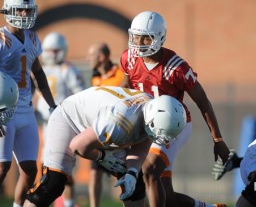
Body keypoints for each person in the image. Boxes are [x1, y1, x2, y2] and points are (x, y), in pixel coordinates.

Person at [120, 11, 230, 207]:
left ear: (159, 37)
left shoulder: (176, 68)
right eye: (136, 36)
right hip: (146, 123)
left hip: (173, 125)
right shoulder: (129, 58)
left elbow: (202, 101)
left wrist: (218, 139)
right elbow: (125, 88)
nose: (139, 42)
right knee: (166, 196)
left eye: (146, 37)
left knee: (150, 169)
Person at [23, 86, 186, 207]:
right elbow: (78, 145)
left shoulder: (153, 112)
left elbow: (142, 145)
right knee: (53, 184)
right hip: (68, 120)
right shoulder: (120, 122)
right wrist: (102, 157)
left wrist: (132, 171)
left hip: (99, 126)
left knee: (135, 183)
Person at [0, 0, 57, 207]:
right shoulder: (2, 38)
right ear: (8, 11)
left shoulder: (33, 38)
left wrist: (53, 105)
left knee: (30, 170)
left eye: (27, 11)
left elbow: (39, 74)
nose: (24, 15)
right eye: (20, 10)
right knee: (2, 168)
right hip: (4, 111)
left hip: (26, 110)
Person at [34, 32, 86, 207]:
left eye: (54, 50)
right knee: (45, 171)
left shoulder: (68, 69)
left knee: (64, 172)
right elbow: (37, 96)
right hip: (46, 124)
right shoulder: (43, 69)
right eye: (48, 50)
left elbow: (80, 95)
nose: (50, 54)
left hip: (63, 125)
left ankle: (68, 204)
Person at [86, 42, 124, 207]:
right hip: (102, 134)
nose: (88, 59)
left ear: (101, 57)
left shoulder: (121, 74)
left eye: (91, 55)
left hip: (120, 134)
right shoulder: (95, 77)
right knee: (94, 172)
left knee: (123, 174)